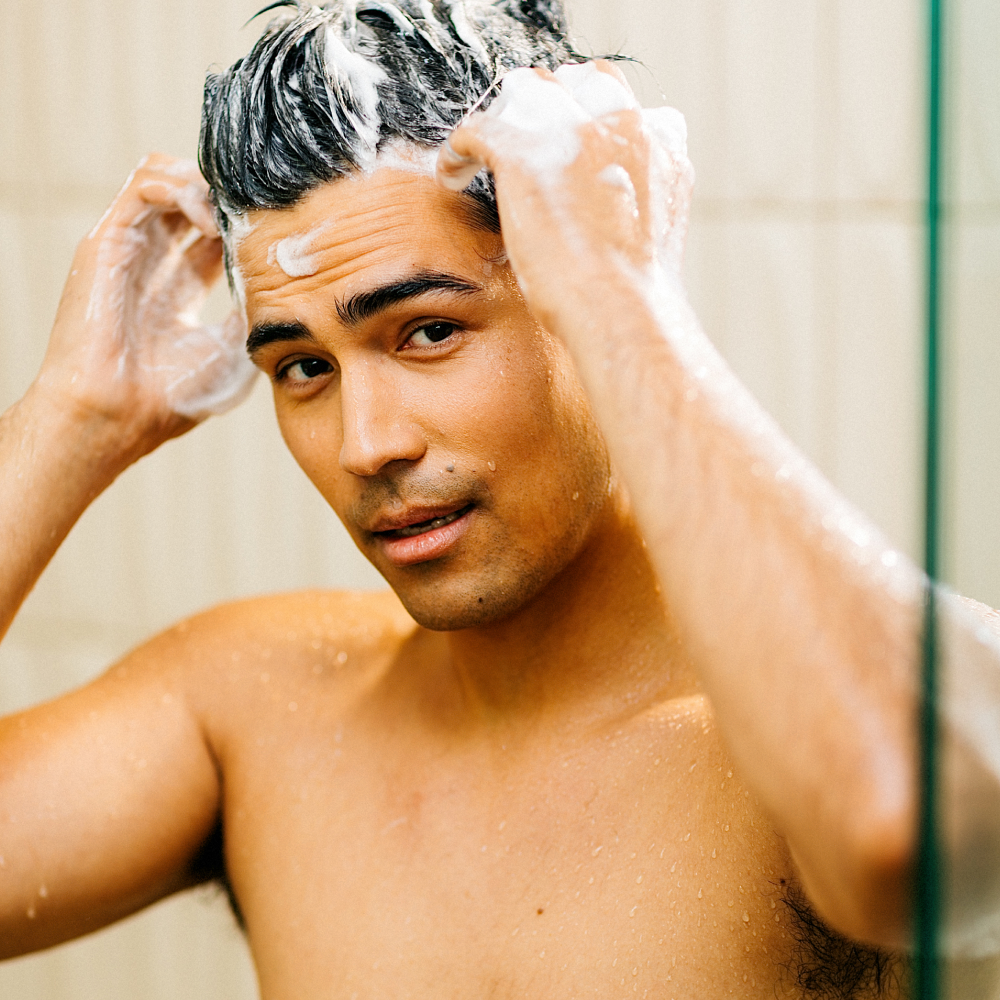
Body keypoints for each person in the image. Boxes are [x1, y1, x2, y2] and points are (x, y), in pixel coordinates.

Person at [2, 1, 999, 996]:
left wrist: (624, 293)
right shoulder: (258, 715)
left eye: (429, 331)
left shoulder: (820, 731)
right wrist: (72, 418)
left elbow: (911, 829)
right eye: (304, 367)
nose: (366, 444)